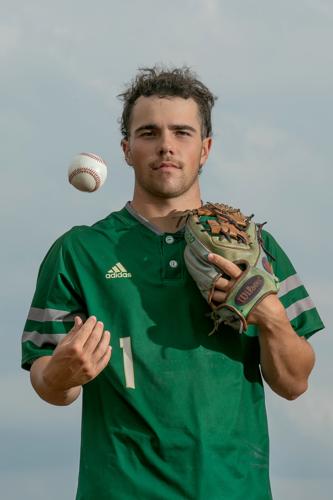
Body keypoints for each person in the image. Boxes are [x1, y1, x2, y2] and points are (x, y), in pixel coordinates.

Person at [22, 67, 324, 500]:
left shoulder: (256, 247)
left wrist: (272, 317)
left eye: (182, 132)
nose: (166, 145)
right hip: (121, 490)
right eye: (149, 132)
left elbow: (294, 384)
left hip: (233, 488)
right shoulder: (80, 251)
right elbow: (48, 383)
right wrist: (61, 374)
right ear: (126, 149)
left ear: (205, 149)